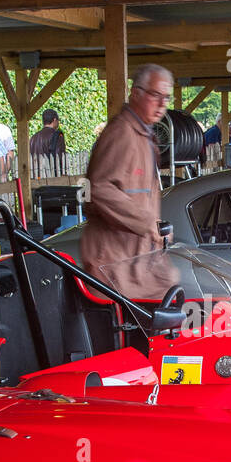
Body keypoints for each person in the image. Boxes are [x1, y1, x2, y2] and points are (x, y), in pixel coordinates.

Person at [80, 64, 175, 300]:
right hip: (114, 265)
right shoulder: (121, 133)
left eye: (167, 97)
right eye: (155, 95)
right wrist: (148, 223)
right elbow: (98, 189)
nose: (162, 103)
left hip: (137, 263)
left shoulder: (143, 135)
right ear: (136, 93)